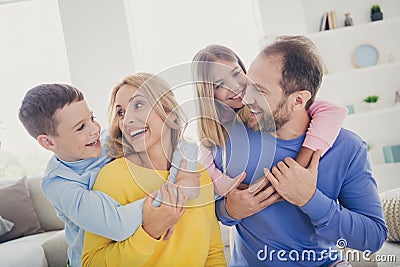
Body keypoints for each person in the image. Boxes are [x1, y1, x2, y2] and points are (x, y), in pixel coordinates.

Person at [214, 36, 387, 266]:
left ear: (298, 99)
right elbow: (208, 211)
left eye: (260, 91)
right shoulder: (230, 139)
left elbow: (373, 237)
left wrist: (310, 199)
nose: (246, 98)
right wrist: (229, 210)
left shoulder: (347, 148)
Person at [18, 84, 198, 267]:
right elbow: (117, 225)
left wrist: (183, 173)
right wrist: (174, 195)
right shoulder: (58, 184)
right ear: (48, 142)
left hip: (136, 252)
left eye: (92, 118)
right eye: (80, 127)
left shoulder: (106, 141)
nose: (95, 129)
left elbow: (180, 142)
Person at [82, 73, 226, 267]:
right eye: (121, 113)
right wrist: (150, 232)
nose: (127, 120)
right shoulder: (113, 177)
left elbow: (213, 252)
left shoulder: (199, 174)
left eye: (138, 105)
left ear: (170, 112)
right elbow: (91, 262)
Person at [192, 44, 348, 196]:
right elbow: (208, 166)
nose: (235, 87)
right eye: (220, 85)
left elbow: (333, 111)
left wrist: (299, 164)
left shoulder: (270, 100)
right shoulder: (216, 132)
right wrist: (229, 189)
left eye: (235, 74)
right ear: (208, 94)